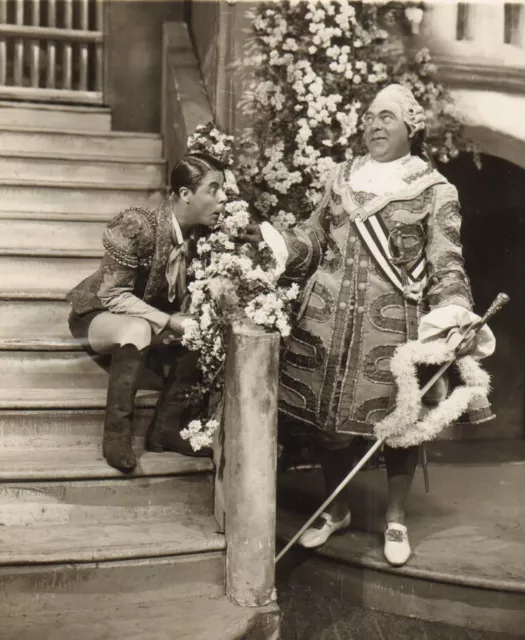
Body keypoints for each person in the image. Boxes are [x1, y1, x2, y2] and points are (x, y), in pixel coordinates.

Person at [243, 84, 495, 567]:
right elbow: (315, 238)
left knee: (399, 427)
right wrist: (278, 245)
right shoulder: (340, 177)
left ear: (410, 127)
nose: (373, 126)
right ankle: (334, 508)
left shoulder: (436, 189)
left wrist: (452, 313)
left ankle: (395, 518)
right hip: (326, 321)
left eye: (386, 117)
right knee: (329, 425)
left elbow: (446, 261)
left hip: (394, 328)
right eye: (369, 117)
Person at [66, 153, 227, 473]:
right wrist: (168, 321)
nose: (222, 198)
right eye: (213, 189)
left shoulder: (204, 235)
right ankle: (116, 437)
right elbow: (111, 295)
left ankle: (166, 429)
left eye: (223, 190)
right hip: (99, 314)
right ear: (185, 195)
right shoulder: (137, 225)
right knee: (137, 329)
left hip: (148, 317)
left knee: (205, 331)